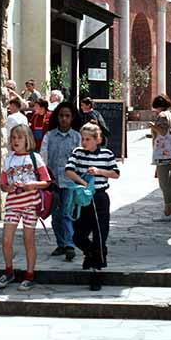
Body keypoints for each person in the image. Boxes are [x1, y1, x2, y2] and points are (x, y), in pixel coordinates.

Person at [65, 122, 120, 291]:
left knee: (99, 235)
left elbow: (115, 173)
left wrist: (99, 171)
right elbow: (68, 170)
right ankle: (89, 253)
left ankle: (96, 272)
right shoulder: (78, 153)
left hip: (99, 197)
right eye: (83, 138)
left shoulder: (106, 154)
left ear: (97, 139)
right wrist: (83, 183)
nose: (84, 142)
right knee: (78, 235)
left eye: (88, 139)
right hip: (83, 198)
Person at [0, 124, 51, 291]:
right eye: (13, 137)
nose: (16, 141)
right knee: (6, 240)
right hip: (13, 204)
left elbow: (46, 182)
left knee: (28, 240)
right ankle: (9, 271)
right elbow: (2, 184)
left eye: (19, 137)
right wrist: (8, 188)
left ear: (27, 139)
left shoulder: (35, 158)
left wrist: (31, 185)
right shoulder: (9, 159)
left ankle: (29, 274)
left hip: (30, 206)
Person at [40, 107, 81, 261]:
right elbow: (43, 158)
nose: (64, 118)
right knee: (56, 216)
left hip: (70, 183)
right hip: (54, 182)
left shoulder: (77, 137)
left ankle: (70, 244)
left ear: (72, 118)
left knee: (66, 213)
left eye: (67, 116)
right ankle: (61, 244)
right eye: (61, 116)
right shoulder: (49, 136)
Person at [150, 93, 171, 222]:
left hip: (162, 153)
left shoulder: (162, 116)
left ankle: (168, 212)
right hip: (170, 151)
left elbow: (162, 132)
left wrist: (152, 126)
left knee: (164, 183)